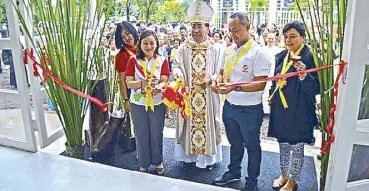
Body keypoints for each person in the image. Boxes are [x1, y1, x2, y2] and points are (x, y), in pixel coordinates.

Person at [212, 12, 272, 191]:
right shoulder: (228, 49)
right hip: (230, 106)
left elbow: (260, 84)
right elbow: (222, 72)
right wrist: (218, 82)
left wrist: (234, 87)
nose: (233, 34)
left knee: (252, 146)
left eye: (236, 30)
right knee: (234, 142)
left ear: (248, 27)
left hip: (250, 110)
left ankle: (252, 182)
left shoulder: (259, 53)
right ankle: (233, 172)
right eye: (230, 31)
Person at [268, 21, 319, 191]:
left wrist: (304, 75)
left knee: (296, 146)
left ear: (302, 37)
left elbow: (317, 88)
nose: (288, 40)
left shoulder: (310, 57)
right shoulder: (282, 55)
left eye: (293, 36)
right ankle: (284, 174)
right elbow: (275, 80)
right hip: (282, 108)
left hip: (300, 110)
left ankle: (293, 181)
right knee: (282, 143)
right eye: (286, 36)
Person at [172, 0, 223, 170]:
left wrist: (211, 80)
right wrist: (179, 75)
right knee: (188, 124)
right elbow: (176, 65)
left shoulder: (215, 48)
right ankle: (189, 159)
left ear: (207, 27)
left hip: (207, 96)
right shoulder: (184, 48)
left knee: (208, 124)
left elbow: (221, 72)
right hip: (188, 96)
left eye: (199, 26)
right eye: (193, 26)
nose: (195, 30)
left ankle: (206, 160)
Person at [125, 30, 170, 175]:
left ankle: (158, 162)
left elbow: (165, 81)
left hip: (157, 102)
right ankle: (143, 163)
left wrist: (159, 87)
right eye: (145, 43)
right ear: (140, 44)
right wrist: (140, 83)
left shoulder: (162, 60)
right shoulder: (133, 61)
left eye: (152, 43)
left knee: (157, 132)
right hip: (138, 103)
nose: (149, 46)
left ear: (156, 44)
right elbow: (128, 83)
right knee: (141, 133)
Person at [115, 21, 139, 112]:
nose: (127, 38)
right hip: (134, 93)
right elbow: (122, 80)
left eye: (127, 33)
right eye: (122, 37)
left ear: (132, 31)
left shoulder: (145, 44)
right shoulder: (121, 56)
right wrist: (126, 100)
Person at [262, 33, 283, 114]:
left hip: (274, 72)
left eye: (272, 38)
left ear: (275, 39)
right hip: (264, 71)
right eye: (269, 38)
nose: (270, 40)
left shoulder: (278, 50)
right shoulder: (262, 49)